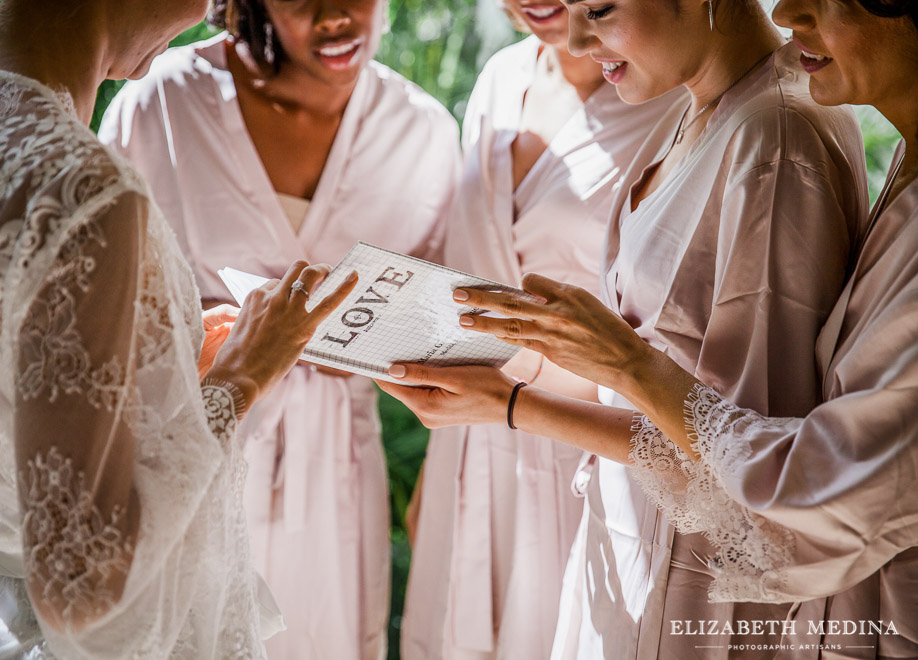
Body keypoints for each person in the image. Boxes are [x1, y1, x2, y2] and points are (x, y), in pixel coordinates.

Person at [392, 0, 918, 654]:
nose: (579, 38)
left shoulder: (776, 140)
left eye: (602, 10)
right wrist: (511, 401)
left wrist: (600, 372)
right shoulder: (695, 109)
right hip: (627, 533)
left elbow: (764, 467)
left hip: (702, 578)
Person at [0, 0, 357, 657]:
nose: (213, 9)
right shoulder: (83, 191)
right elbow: (78, 586)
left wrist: (169, 376)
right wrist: (240, 380)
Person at [97, 2, 460, 658]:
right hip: (189, 449)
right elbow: (98, 308)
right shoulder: (159, 106)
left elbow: (436, 329)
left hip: (338, 476)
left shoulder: (422, 133)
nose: (335, 17)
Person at [399, 1, 678, 658]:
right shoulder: (502, 76)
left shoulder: (669, 102)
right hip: (465, 447)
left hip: (581, 453)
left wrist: (518, 405)